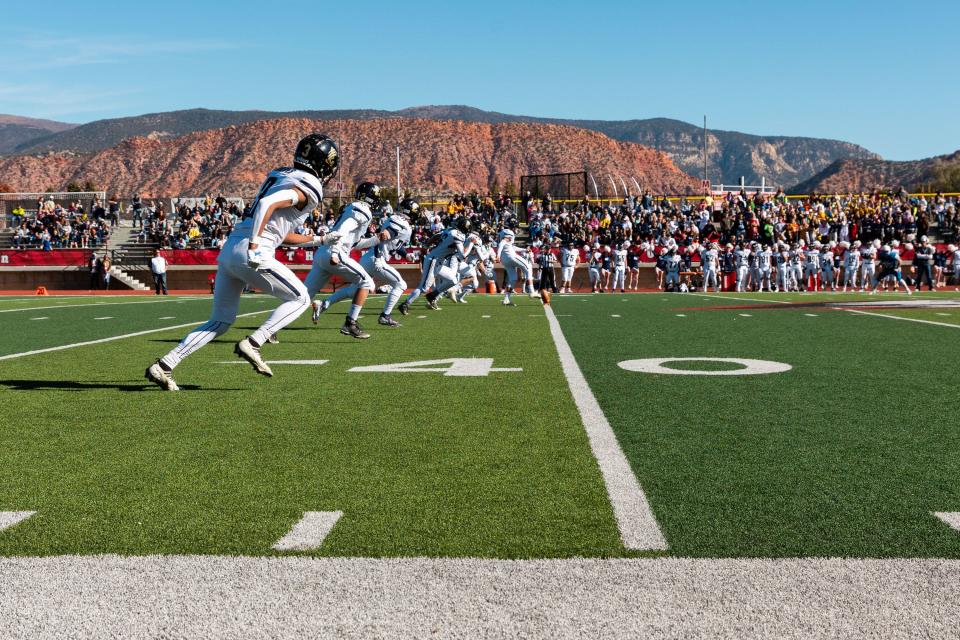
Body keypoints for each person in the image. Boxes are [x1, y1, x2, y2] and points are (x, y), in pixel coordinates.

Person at [145, 133, 338, 391]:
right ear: (324, 163)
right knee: (301, 298)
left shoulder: (282, 174)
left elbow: (281, 231)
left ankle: (165, 365)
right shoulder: (310, 185)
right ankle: (255, 342)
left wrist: (318, 239)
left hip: (230, 252)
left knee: (220, 321)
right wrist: (256, 247)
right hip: (251, 251)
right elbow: (269, 204)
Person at [313, 193, 413, 327]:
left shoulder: (396, 219)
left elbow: (395, 243)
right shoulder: (402, 223)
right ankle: (385, 316)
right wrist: (386, 234)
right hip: (377, 260)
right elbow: (390, 232)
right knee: (401, 285)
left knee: (353, 290)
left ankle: (324, 304)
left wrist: (405, 254)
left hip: (368, 257)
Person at [305, 181, 382, 338]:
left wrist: (377, 239)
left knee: (303, 296)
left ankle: (270, 330)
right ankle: (350, 323)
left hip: (322, 253)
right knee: (367, 283)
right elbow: (343, 229)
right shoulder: (362, 210)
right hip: (334, 251)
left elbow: (356, 243)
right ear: (370, 198)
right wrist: (335, 252)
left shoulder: (354, 208)